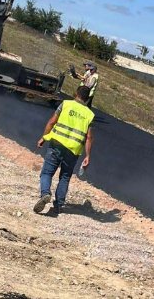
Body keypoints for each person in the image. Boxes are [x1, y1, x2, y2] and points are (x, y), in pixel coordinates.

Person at [34, 85, 95, 215]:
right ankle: (58, 205)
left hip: (56, 145)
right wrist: (88, 156)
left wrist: (44, 138)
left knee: (46, 173)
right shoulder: (89, 114)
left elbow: (51, 122)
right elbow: (89, 137)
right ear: (87, 98)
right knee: (65, 177)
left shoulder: (65, 104)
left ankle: (45, 194)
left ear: (76, 93)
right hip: (73, 151)